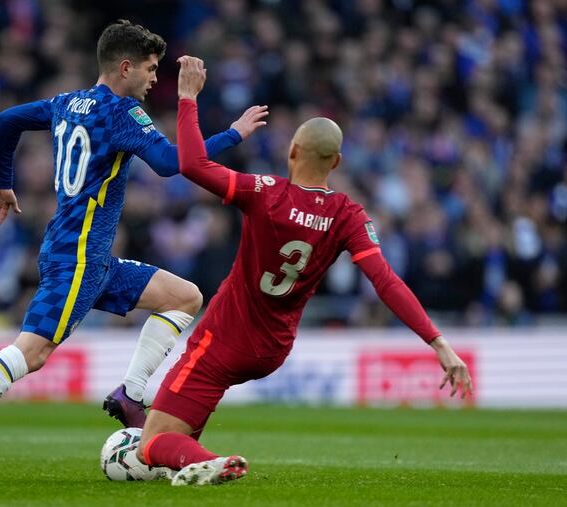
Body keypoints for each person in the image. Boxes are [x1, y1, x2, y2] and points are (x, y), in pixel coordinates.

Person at [0, 21, 266, 481]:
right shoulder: (123, 112)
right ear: (125, 67)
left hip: (86, 255)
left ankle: (131, 395)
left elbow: (8, 121)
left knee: (183, 296)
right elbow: (172, 164)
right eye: (150, 68)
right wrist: (229, 130)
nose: (154, 78)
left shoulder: (66, 103)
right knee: (34, 352)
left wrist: (2, 181)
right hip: (78, 258)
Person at [135, 56, 474, 486]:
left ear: (292, 151)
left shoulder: (264, 192)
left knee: (151, 442)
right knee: (178, 433)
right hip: (273, 350)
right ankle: (192, 462)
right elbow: (385, 282)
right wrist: (439, 344)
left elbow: (191, 165)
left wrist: (187, 99)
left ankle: (212, 461)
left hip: (224, 338)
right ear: (335, 164)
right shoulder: (348, 214)